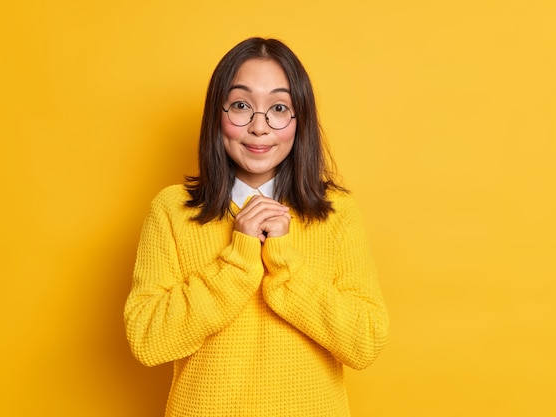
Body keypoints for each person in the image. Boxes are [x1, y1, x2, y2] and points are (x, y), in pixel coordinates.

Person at [124, 37, 389, 417]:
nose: (259, 127)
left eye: (279, 108)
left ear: (300, 122)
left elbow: (364, 342)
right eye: (241, 106)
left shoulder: (337, 213)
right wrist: (237, 259)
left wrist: (283, 263)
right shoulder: (171, 210)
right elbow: (147, 340)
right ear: (218, 114)